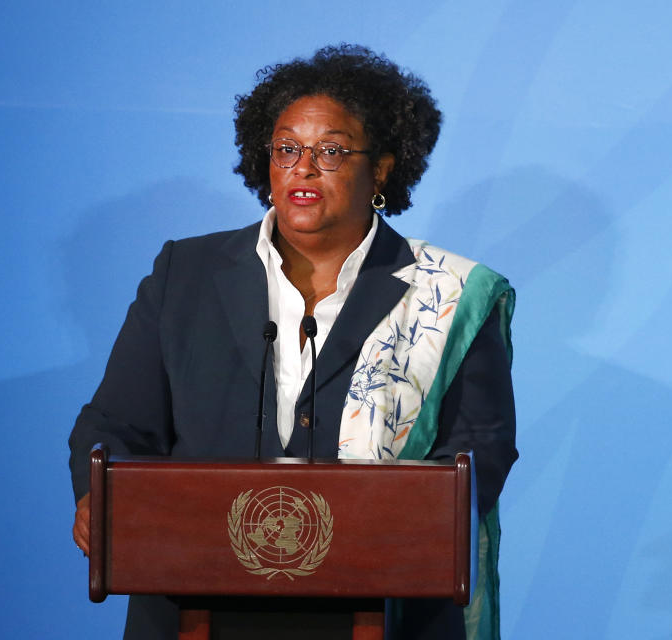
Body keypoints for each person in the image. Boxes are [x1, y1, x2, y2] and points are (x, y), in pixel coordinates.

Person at [69, 44, 517, 639]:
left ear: (381, 167)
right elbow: (115, 423)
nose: (303, 168)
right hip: (194, 607)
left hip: (382, 612)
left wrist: (383, 527)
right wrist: (97, 495)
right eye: (286, 148)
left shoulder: (449, 295)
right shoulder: (187, 273)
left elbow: (479, 453)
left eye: (331, 151)